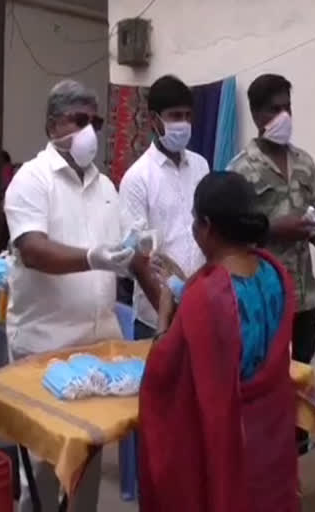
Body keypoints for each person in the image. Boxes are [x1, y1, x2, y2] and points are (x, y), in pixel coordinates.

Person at [3, 79, 135, 511]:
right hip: (46, 345)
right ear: (52, 124)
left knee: (89, 456)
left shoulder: (106, 187)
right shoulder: (31, 180)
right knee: (43, 463)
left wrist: (163, 285)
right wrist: (95, 257)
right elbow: (33, 250)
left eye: (95, 121)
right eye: (79, 120)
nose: (89, 131)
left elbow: (126, 254)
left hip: (98, 346)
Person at [135, 172, 299, 512]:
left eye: (194, 222)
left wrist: (165, 315)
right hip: (269, 440)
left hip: (229, 446)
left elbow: (163, 374)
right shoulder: (275, 275)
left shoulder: (208, 295)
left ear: (206, 226)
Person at [228, 73, 315, 365]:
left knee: (301, 377)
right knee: (266, 375)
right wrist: (273, 229)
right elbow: (230, 238)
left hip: (305, 300)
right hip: (264, 298)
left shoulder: (305, 162)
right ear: (256, 114)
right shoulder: (240, 170)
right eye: (274, 109)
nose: (283, 116)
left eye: (287, 108)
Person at [119, 75, 209, 339]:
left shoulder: (201, 166)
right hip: (155, 317)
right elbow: (137, 259)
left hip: (200, 310)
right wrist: (168, 313)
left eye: (187, 116)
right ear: (153, 120)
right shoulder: (138, 178)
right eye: (174, 116)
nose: (182, 124)